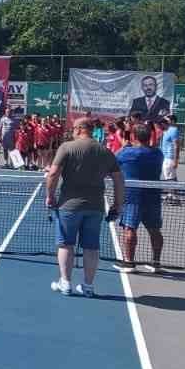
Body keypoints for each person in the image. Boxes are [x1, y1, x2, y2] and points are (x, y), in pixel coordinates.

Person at [44, 119, 126, 298]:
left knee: (66, 244)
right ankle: (88, 286)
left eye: (74, 128)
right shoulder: (105, 151)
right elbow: (119, 180)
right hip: (96, 206)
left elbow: (53, 173)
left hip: (69, 206)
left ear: (80, 129)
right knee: (91, 247)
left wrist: (50, 196)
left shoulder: (66, 148)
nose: (72, 131)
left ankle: (65, 282)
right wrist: (118, 205)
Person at [115, 123, 165, 274]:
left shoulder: (126, 153)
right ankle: (156, 263)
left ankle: (129, 263)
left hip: (132, 198)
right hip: (153, 197)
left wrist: (123, 146)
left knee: (130, 229)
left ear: (133, 136)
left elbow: (113, 160)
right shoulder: (158, 154)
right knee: (155, 230)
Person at [160, 115, 182, 181]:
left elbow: (176, 146)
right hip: (166, 158)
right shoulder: (166, 130)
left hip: (169, 159)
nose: (165, 122)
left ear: (172, 121)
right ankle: (175, 187)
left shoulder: (174, 130)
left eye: (167, 120)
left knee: (170, 180)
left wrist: (176, 161)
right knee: (172, 178)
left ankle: (173, 188)